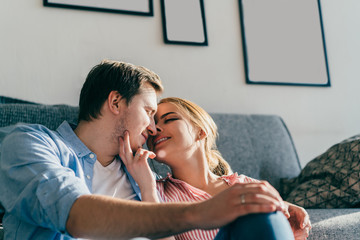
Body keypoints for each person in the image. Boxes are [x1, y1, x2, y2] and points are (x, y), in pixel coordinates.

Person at [1, 60, 292, 240]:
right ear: (115, 103)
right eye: (150, 112)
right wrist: (200, 213)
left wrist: (282, 206)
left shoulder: (139, 173)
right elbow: (75, 214)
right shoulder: (29, 143)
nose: (153, 129)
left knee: (262, 214)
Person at [120, 97, 312, 240]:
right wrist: (146, 186)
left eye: (169, 119)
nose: (155, 129)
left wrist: (284, 207)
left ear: (200, 131)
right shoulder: (156, 192)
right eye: (152, 125)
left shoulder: (246, 185)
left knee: (260, 206)